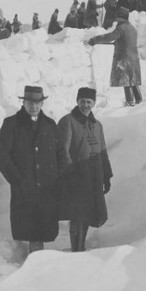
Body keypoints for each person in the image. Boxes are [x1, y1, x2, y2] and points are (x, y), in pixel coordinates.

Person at [0, 86, 67, 253]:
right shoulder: (12, 124)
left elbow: (60, 152)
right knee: (32, 229)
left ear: (42, 104)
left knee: (43, 227)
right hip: (25, 186)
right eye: (29, 103)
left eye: (37, 103)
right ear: (23, 103)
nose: (33, 107)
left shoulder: (49, 124)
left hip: (47, 186)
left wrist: (58, 175)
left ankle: (38, 262)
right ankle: (34, 265)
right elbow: (1, 155)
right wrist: (17, 178)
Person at [58, 87, 112, 252]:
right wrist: (69, 174)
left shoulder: (97, 125)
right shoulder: (67, 121)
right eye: (82, 101)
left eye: (89, 102)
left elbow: (103, 150)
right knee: (77, 213)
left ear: (94, 103)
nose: (85, 105)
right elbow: (62, 150)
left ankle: (81, 246)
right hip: (76, 174)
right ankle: (77, 248)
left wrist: (106, 176)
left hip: (94, 174)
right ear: (77, 101)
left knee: (88, 212)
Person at [87, 7, 143, 106]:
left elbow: (110, 37)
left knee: (125, 81)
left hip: (124, 57)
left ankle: (130, 102)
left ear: (122, 18)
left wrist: (94, 40)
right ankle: (139, 99)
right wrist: (118, 43)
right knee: (132, 80)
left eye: (118, 17)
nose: (116, 19)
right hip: (133, 57)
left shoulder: (121, 28)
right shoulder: (132, 28)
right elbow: (126, 41)